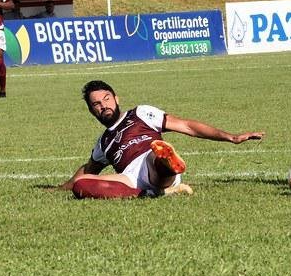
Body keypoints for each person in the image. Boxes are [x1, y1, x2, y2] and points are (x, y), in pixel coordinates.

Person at [59, 80, 264, 199]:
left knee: (155, 154)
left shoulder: (140, 113)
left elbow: (186, 126)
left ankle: (167, 164)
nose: (103, 105)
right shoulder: (103, 142)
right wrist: (60, 188)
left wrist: (231, 137)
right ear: (91, 110)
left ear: (116, 98)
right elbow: (88, 170)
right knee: (81, 186)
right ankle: (155, 193)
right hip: (130, 179)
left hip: (151, 159)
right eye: (96, 104)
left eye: (106, 98)